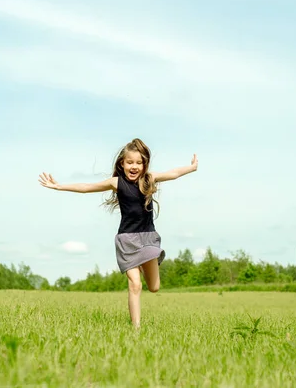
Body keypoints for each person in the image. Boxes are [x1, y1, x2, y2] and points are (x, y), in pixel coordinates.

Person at [38, 138, 198, 328]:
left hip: (148, 238)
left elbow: (173, 173)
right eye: (130, 162)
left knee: (154, 288)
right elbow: (87, 188)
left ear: (144, 164)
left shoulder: (149, 178)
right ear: (122, 164)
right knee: (135, 284)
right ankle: (136, 329)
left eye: (139, 163)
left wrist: (192, 167)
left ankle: (141, 265)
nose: (134, 166)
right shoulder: (116, 182)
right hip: (127, 240)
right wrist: (59, 186)